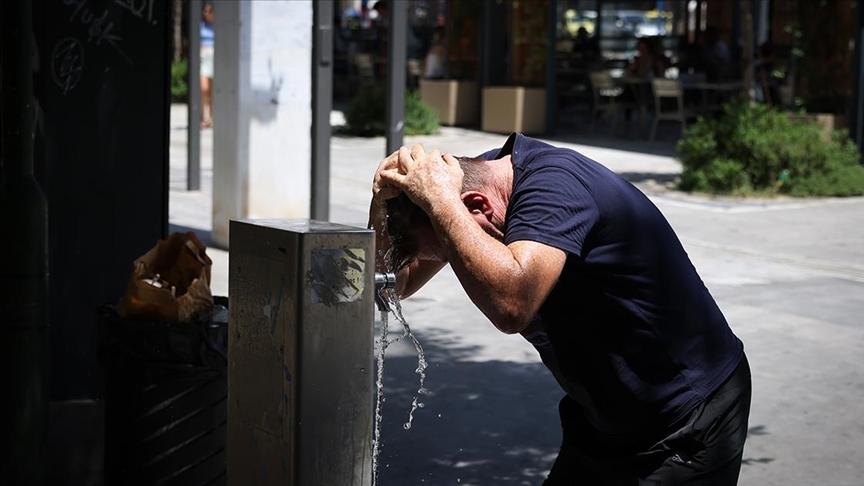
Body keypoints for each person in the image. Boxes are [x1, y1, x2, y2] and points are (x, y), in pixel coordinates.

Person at [369, 133, 751, 485]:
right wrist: (380, 205)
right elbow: (393, 285)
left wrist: (441, 203)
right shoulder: (470, 187)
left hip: (687, 420)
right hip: (603, 421)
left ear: (474, 206)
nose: (450, 257)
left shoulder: (555, 189)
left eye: (447, 247)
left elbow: (511, 305)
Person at [199, 2, 215, 129]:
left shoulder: (218, 26)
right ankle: (202, 116)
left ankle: (212, 117)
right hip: (203, 57)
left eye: (209, 11)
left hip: (215, 58)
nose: (207, 13)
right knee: (204, 88)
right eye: (205, 11)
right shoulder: (200, 26)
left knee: (213, 91)